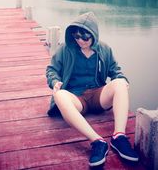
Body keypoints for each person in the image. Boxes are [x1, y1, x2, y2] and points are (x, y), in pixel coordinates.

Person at [46, 11, 139, 167]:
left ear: (93, 35)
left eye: (85, 37)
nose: (80, 41)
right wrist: (54, 81)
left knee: (120, 83)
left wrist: (121, 77)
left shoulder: (104, 49)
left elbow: (115, 70)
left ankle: (119, 137)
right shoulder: (65, 49)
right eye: (76, 37)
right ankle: (97, 142)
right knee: (60, 95)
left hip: (98, 96)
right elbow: (51, 69)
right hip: (76, 98)